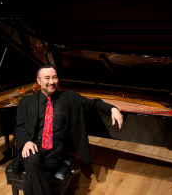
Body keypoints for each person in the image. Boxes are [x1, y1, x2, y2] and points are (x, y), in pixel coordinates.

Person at [12, 65, 123, 195]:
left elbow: (94, 103)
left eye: (55, 77)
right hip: (33, 146)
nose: (52, 82)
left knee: (36, 167)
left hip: (55, 149)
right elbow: (19, 127)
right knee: (32, 161)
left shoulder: (69, 97)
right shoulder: (26, 102)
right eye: (47, 78)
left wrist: (112, 109)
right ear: (38, 81)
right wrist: (26, 142)